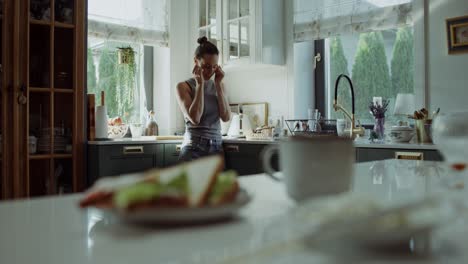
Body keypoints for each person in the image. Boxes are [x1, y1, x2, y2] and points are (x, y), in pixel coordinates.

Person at [176, 37, 231, 161]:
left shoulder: (220, 85)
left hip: (217, 149)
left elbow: (226, 117)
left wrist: (217, 84)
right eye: (206, 66)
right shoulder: (183, 87)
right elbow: (195, 118)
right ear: (196, 61)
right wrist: (199, 84)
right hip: (194, 148)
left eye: (214, 66)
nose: (210, 71)